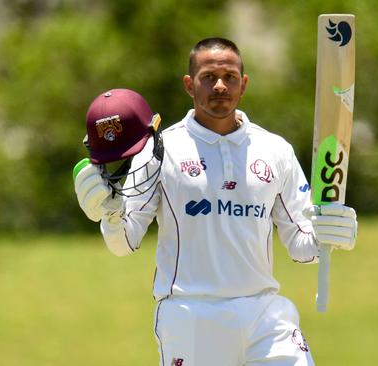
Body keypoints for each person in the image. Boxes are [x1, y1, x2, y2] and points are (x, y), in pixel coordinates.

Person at [73, 37, 358, 366]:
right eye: (208, 77)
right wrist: (109, 216)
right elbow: (124, 243)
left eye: (230, 77)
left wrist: (329, 235)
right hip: (191, 313)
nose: (220, 86)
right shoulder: (159, 151)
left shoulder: (275, 150)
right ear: (189, 85)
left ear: (243, 84)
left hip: (264, 312)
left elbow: (300, 245)